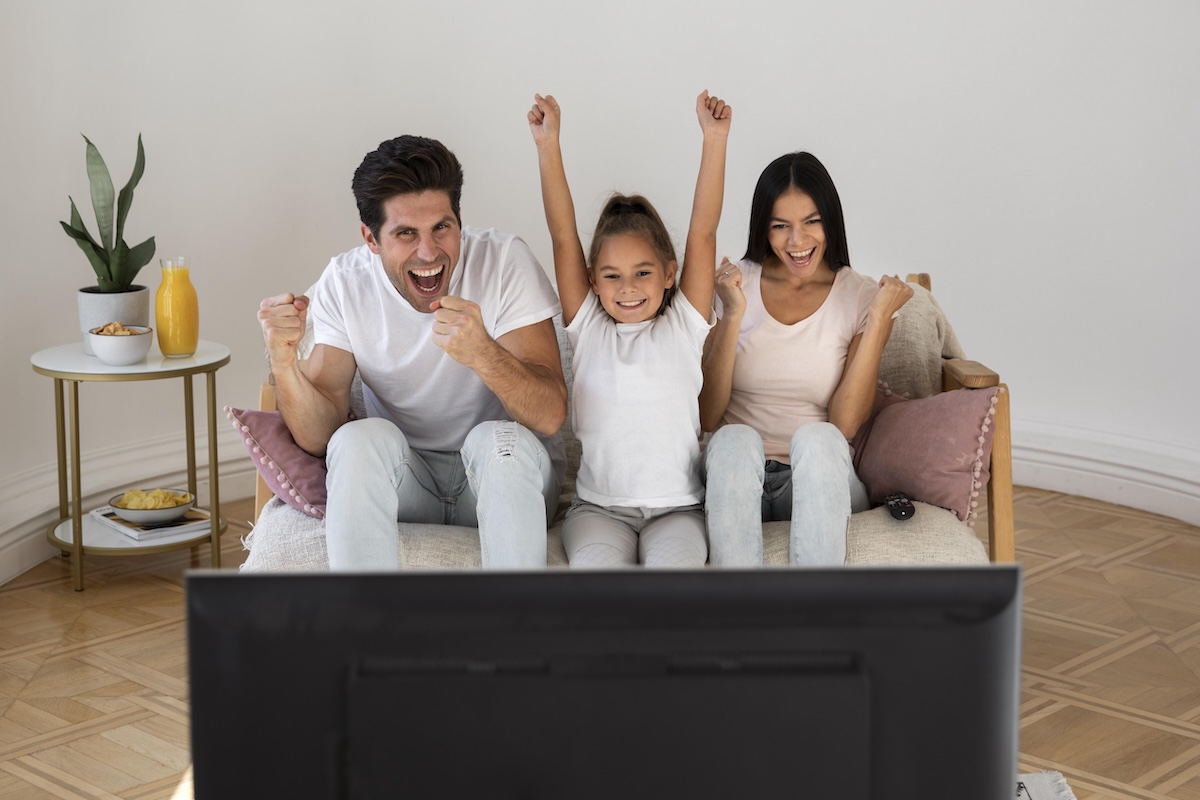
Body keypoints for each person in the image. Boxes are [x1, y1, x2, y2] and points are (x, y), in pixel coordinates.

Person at [257, 135, 567, 570]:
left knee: (501, 441)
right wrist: (283, 362)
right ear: (371, 238)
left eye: (442, 227)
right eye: (406, 233)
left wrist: (484, 354)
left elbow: (550, 415)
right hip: (408, 482)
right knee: (354, 440)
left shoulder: (503, 261)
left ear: (460, 220)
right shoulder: (346, 281)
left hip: (505, 477)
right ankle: (367, 614)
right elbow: (319, 435)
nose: (429, 252)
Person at [527, 90, 731, 568]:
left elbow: (703, 231)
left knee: (671, 592)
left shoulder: (685, 324)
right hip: (599, 511)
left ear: (670, 273)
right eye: (612, 276)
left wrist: (715, 140)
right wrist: (548, 145)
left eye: (643, 272)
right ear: (593, 282)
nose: (628, 288)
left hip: (678, 511)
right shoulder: (588, 328)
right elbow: (563, 236)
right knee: (601, 593)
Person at [700, 151, 913, 566]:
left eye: (811, 222)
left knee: (819, 439)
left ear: (830, 220)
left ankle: (815, 603)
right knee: (732, 439)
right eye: (780, 226)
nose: (797, 242)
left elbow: (845, 424)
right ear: (764, 227)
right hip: (734, 481)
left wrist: (878, 319)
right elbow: (707, 415)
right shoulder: (733, 284)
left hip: (816, 482)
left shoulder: (861, 296)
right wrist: (733, 314)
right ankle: (738, 603)